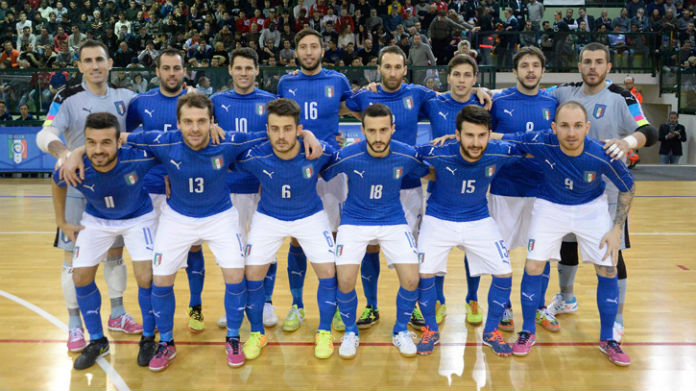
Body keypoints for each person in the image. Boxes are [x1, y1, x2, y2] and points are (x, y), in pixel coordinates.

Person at [121, 93, 322, 371]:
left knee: (236, 274)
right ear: (177, 124)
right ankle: (166, 341)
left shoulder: (227, 140)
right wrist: (77, 153)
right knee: (161, 278)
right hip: (177, 217)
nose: (195, 128)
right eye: (188, 122)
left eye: (201, 121)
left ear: (211, 121)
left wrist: (308, 134)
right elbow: (119, 137)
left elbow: (275, 133)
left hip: (220, 216)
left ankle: (233, 338)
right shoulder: (163, 140)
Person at [500, 101, 635, 367]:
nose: (571, 133)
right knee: (534, 264)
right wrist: (457, 136)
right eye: (564, 126)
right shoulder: (542, 141)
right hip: (550, 206)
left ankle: (609, 339)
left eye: (576, 126)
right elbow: (500, 137)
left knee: (608, 267)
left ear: (587, 127)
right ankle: (527, 331)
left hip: (591, 209)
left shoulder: (602, 153)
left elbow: (628, 187)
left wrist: (616, 229)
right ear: (554, 127)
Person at [544, 43, 658, 343]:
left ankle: (616, 317)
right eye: (587, 61)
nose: (592, 67)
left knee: (610, 255)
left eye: (598, 62)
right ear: (579, 65)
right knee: (566, 248)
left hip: (607, 194)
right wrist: (486, 94)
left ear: (608, 66)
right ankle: (566, 298)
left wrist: (629, 142)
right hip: (569, 191)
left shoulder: (623, 97)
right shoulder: (564, 92)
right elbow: (529, 95)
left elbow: (649, 130)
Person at [36, 40, 141, 353]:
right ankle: (74, 325)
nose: (95, 65)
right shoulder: (66, 97)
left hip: (117, 191)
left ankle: (118, 313)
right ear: (79, 66)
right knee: (73, 262)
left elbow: (148, 127)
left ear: (109, 63)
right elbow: (46, 133)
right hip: (78, 190)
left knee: (115, 256)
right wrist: (65, 153)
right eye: (88, 60)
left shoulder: (127, 97)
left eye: (100, 60)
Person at [415, 105, 524, 357]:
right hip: (438, 219)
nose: (476, 142)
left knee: (504, 272)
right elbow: (405, 155)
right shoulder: (438, 151)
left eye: (482, 135)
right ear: (457, 134)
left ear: (489, 134)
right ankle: (431, 329)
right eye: (469, 135)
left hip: (478, 219)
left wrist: (497, 137)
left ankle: (491, 331)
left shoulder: (497, 150)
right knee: (424, 274)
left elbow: (531, 146)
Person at [322, 103, 430, 359]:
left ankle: (400, 330)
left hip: (393, 219)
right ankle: (350, 331)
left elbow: (428, 170)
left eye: (384, 130)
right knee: (345, 280)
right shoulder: (348, 155)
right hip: (354, 221)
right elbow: (321, 171)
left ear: (393, 129)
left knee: (412, 279)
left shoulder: (407, 155)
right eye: (372, 131)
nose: (378, 137)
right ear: (363, 130)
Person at [52, 112, 157, 370]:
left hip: (138, 217)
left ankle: (148, 338)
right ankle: (97, 340)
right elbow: (57, 183)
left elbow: (169, 153)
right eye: (91, 143)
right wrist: (62, 222)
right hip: (97, 219)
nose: (98, 150)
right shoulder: (76, 165)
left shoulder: (137, 158)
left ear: (118, 141)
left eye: (106, 142)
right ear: (85, 143)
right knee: (80, 276)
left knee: (147, 277)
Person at [237, 98, 338, 361]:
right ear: (267, 129)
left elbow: (348, 159)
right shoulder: (255, 154)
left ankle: (324, 331)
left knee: (328, 271)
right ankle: (257, 333)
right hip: (269, 217)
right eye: (275, 129)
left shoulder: (317, 151)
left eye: (288, 129)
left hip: (310, 215)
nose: (281, 136)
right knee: (252, 273)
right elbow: (218, 154)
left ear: (298, 129)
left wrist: (311, 135)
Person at [345, 45, 437, 329]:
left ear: (405, 69)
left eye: (398, 67)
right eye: (388, 67)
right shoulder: (365, 96)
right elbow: (335, 105)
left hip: (408, 186)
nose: (393, 72)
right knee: (370, 247)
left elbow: (452, 100)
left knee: (409, 252)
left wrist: (484, 93)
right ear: (379, 69)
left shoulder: (417, 94)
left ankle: (413, 308)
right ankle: (371, 306)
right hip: (370, 185)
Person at [125, 48, 211, 334]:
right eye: (166, 68)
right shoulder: (141, 102)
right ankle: (155, 321)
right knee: (155, 259)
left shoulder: (197, 102)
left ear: (184, 70)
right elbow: (129, 143)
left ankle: (195, 305)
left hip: (185, 190)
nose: (172, 73)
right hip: (149, 191)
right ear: (158, 71)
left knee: (194, 248)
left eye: (177, 68)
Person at [276, 28, 356, 333]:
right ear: (296, 52)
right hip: (297, 169)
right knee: (297, 237)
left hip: (331, 167)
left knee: (334, 238)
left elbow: (358, 107)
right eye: (303, 47)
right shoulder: (286, 82)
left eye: (314, 47)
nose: (309, 52)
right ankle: (297, 305)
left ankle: (335, 305)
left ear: (322, 51)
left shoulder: (338, 80)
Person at [488, 46, 559, 333]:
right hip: (504, 188)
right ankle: (503, 306)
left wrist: (511, 139)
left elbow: (552, 139)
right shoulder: (497, 100)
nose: (530, 70)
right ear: (514, 71)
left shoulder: (553, 102)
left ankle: (538, 306)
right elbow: (487, 137)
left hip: (543, 189)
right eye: (524, 65)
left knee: (541, 253)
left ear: (543, 70)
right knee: (499, 253)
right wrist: (530, 142)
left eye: (535, 65)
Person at [211, 47, 279, 329]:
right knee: (233, 250)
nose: (243, 73)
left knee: (267, 249)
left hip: (264, 188)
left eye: (248, 68)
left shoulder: (271, 101)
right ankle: (235, 303)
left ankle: (266, 303)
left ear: (256, 71)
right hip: (229, 189)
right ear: (230, 70)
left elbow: (279, 141)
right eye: (238, 68)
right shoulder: (215, 102)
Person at [419, 54, 484, 325]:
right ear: (448, 77)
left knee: (473, 249)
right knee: (438, 249)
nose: (461, 80)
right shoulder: (435, 102)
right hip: (440, 185)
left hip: (475, 187)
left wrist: (485, 93)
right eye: (457, 74)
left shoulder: (483, 104)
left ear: (475, 79)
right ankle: (439, 300)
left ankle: (472, 298)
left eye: (467, 75)